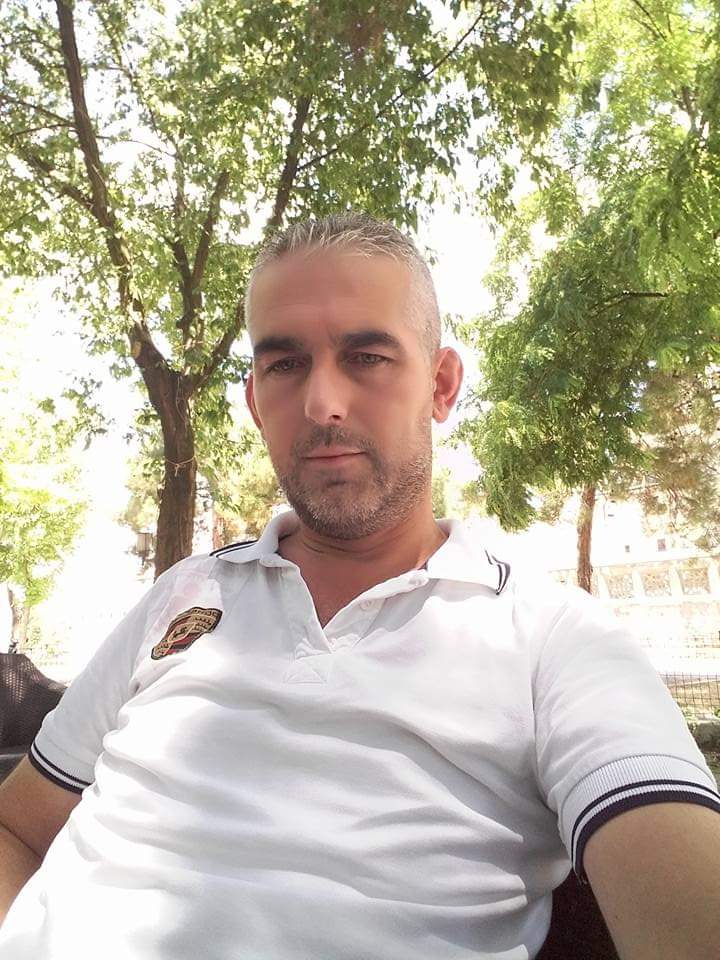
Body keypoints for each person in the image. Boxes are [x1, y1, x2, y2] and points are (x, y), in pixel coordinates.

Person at [0, 212, 718, 960]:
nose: (322, 404)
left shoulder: (554, 639)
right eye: (285, 364)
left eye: (367, 356)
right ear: (256, 402)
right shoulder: (182, 594)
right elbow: (17, 826)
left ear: (441, 385)